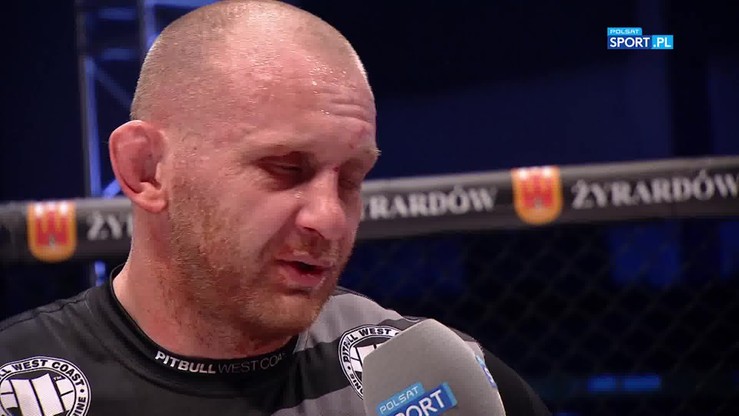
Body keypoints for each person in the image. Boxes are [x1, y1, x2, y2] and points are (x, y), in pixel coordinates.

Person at [0, 1, 551, 414]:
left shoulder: (434, 380)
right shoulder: (21, 389)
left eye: (352, 178)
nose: (330, 219)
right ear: (146, 169)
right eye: (285, 168)